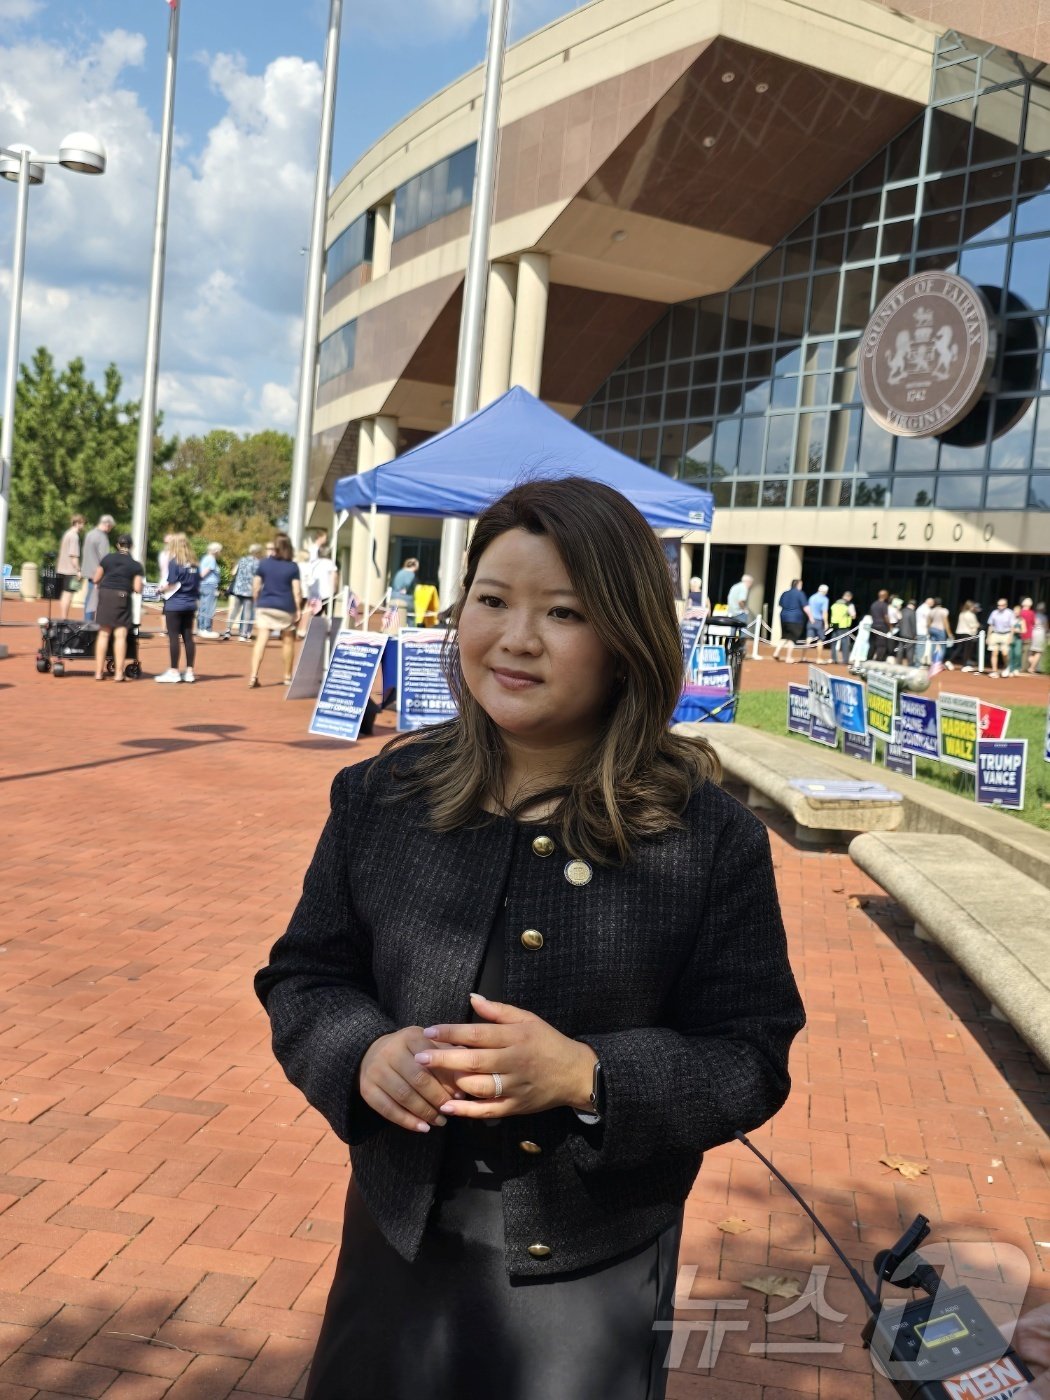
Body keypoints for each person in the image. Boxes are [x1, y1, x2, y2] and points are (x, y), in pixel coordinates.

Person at [255, 477, 805, 1400]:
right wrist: (361, 1053)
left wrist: (589, 1075)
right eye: (492, 600)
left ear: (626, 639)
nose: (516, 638)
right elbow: (305, 975)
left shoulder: (705, 839)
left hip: (592, 1258)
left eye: (563, 612)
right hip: (399, 1233)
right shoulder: (381, 797)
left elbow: (750, 1056)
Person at [249, 532, 302, 688]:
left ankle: (253, 675)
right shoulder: (293, 567)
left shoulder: (264, 564)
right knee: (288, 640)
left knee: (261, 639)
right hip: (285, 607)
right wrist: (298, 608)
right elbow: (297, 591)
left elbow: (256, 586)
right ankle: (287, 676)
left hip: (265, 605)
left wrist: (257, 601)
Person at [91, 533, 143, 681]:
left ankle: (98, 672)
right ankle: (119, 674)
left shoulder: (107, 558)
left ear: (118, 545)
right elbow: (137, 588)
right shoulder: (135, 565)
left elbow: (96, 578)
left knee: (103, 634)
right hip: (122, 596)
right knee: (120, 635)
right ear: (131, 546)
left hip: (105, 594)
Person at [155, 534, 201, 684]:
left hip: (175, 604)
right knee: (188, 637)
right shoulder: (195, 564)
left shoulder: (174, 562)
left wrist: (160, 590)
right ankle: (189, 671)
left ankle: (174, 671)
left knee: (174, 637)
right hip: (190, 604)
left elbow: (171, 583)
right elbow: (198, 583)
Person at [80, 514, 114, 622]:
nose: (110, 530)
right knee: (94, 601)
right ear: (107, 524)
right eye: (110, 527)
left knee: (89, 599)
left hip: (88, 571)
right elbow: (104, 558)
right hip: (98, 573)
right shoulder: (102, 537)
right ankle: (89, 624)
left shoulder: (89, 534)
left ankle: (87, 622)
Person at [224, 544, 261, 641]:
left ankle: (227, 630)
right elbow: (257, 577)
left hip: (239, 588)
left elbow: (234, 572)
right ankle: (243, 634)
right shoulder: (256, 562)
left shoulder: (242, 560)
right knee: (247, 611)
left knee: (235, 610)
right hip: (249, 589)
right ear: (257, 552)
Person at [772, 578, 810, 663]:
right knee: (792, 638)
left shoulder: (785, 593)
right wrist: (811, 617)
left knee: (785, 636)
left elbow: (780, 604)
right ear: (798, 585)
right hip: (795, 618)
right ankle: (788, 657)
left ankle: (776, 652)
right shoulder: (800, 594)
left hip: (784, 617)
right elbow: (805, 607)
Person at [56, 514, 85, 620]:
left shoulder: (67, 533)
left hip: (62, 569)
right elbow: (73, 555)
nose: (83, 526)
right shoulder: (74, 536)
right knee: (68, 594)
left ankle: (64, 617)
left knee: (65, 593)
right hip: (70, 570)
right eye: (82, 523)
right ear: (77, 523)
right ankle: (64, 618)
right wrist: (78, 570)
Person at [197, 542, 223, 638]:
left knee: (203, 607)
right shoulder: (211, 559)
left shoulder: (205, 558)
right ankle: (206, 629)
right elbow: (204, 573)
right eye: (220, 551)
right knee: (209, 608)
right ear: (216, 551)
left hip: (204, 585)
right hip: (209, 585)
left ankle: (201, 628)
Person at [986, 598, 1016, 678]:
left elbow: (1012, 627)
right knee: (994, 652)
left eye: (1002, 605)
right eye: (998, 605)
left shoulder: (1010, 613)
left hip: (1006, 634)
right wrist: (988, 637)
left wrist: (1011, 637)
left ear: (1006, 605)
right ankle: (994, 671)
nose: (1000, 607)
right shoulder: (994, 613)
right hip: (995, 633)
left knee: (1004, 653)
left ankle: (1007, 667)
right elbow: (991, 625)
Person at [951, 600, 980, 671]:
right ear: (970, 607)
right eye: (973, 606)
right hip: (968, 633)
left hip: (960, 632)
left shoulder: (962, 613)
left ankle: (950, 660)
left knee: (959, 648)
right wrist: (978, 625)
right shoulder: (971, 615)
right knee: (967, 650)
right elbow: (973, 625)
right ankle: (964, 665)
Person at [828, 590, 856, 665]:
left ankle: (834, 659)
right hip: (843, 626)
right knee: (845, 643)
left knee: (834, 643)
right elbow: (853, 615)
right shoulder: (848, 604)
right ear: (849, 597)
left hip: (834, 625)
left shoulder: (836, 603)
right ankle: (845, 660)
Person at [806, 583, 830, 662]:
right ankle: (818, 658)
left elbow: (808, 608)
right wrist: (826, 623)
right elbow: (824, 612)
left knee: (809, 638)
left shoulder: (812, 597)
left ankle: (804, 656)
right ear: (825, 591)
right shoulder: (824, 599)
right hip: (818, 620)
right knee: (820, 639)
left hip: (811, 620)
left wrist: (810, 617)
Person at [928, 597, 953, 667]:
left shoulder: (931, 611)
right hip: (940, 629)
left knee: (933, 646)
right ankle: (939, 662)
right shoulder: (944, 611)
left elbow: (929, 622)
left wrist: (929, 630)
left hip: (932, 629)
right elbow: (945, 622)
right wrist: (949, 633)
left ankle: (933, 661)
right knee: (942, 646)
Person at [869, 589, 891, 662]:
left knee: (872, 644)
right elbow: (886, 617)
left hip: (873, 625)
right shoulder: (884, 605)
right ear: (885, 596)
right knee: (881, 645)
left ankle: (869, 658)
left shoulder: (874, 604)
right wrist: (890, 626)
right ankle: (879, 660)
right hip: (882, 626)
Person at [1015, 597, 1037, 675]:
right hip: (1028, 635)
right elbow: (1034, 623)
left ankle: (1016, 666)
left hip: (1019, 634)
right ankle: (1023, 668)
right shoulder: (1032, 613)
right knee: (1026, 653)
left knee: (1017, 651)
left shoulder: (1020, 612)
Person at [895, 599, 918, 665]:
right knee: (910, 649)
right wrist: (915, 634)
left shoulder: (902, 611)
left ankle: (898, 662)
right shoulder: (912, 612)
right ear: (913, 605)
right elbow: (913, 624)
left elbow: (899, 621)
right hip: (909, 634)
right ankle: (910, 663)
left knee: (900, 648)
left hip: (902, 633)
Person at [1027, 602, 1047, 675]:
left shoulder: (1034, 615)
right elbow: (1046, 627)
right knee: (1038, 652)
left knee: (1032, 651)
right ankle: (1032, 668)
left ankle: (1032, 665)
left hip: (1033, 633)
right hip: (1040, 634)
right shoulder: (1044, 617)